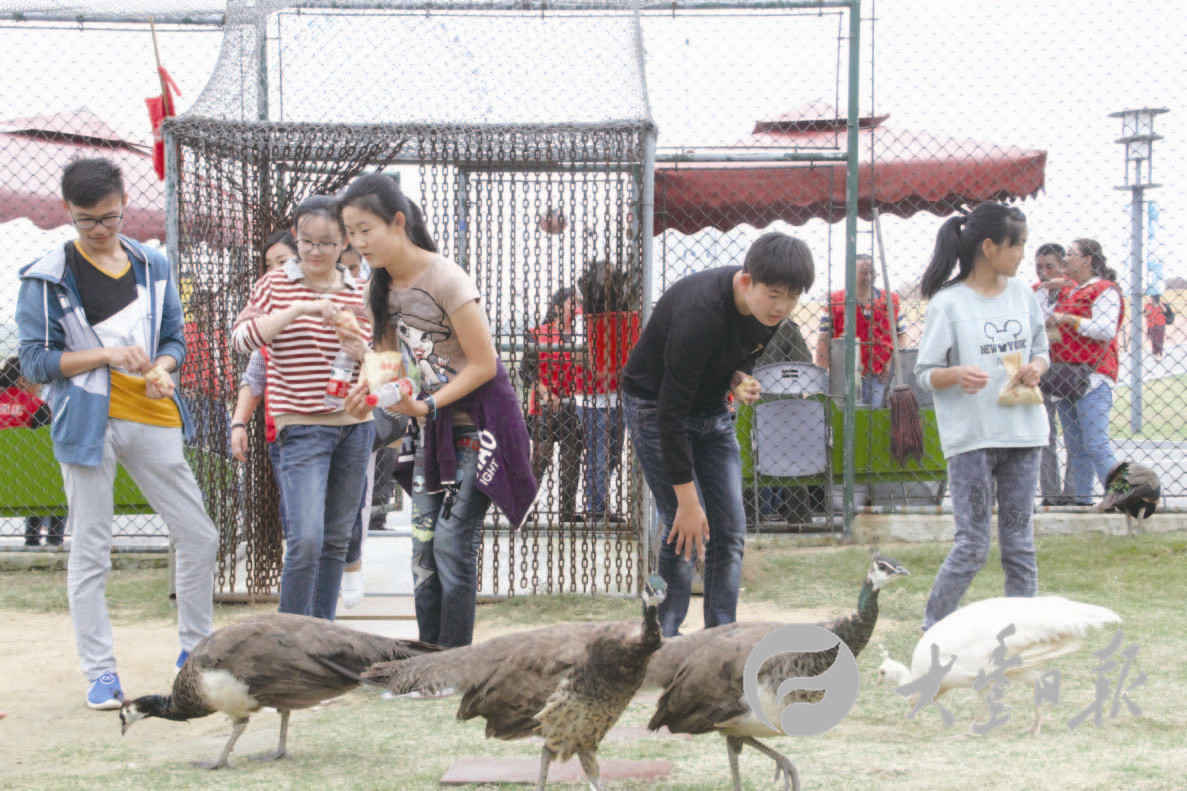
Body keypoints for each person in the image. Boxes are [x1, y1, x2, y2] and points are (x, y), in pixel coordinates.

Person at [15, 157, 218, 709]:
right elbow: (33, 363)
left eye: (110, 216)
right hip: (87, 423)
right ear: (68, 212)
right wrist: (105, 354)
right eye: (87, 221)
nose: (101, 229)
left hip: (154, 415)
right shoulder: (46, 275)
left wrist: (165, 370)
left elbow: (175, 337)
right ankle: (101, 673)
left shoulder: (151, 264)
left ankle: (195, 653)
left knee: (199, 535)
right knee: (91, 550)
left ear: (124, 202)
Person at [339, 174, 536, 648]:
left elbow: (485, 365)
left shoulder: (447, 278)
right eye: (351, 232)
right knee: (423, 550)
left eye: (366, 229)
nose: (357, 242)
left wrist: (424, 403)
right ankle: (428, 660)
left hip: (483, 425)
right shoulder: (380, 288)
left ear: (398, 221)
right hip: (433, 429)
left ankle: (455, 662)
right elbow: (386, 363)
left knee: (451, 542)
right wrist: (364, 388)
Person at [621, 231, 814, 637]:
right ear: (747, 281)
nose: (782, 307)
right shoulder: (700, 313)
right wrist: (689, 503)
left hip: (710, 411)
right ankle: (664, 641)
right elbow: (670, 414)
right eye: (774, 294)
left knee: (729, 531)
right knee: (682, 525)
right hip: (656, 408)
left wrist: (737, 380)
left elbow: (727, 359)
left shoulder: (769, 316)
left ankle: (720, 639)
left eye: (792, 297)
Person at [231, 196, 375, 621]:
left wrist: (361, 349)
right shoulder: (276, 285)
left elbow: (386, 364)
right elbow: (241, 339)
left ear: (344, 243)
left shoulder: (360, 290)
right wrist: (300, 309)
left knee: (336, 538)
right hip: (301, 426)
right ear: (295, 237)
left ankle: (321, 635)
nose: (316, 251)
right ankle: (289, 637)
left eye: (327, 243)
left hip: (355, 425)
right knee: (306, 538)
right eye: (308, 241)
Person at [914, 202, 1049, 631]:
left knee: (1019, 544)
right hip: (971, 441)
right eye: (1018, 245)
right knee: (972, 545)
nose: (1023, 254)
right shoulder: (948, 304)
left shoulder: (1023, 295)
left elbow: (1042, 350)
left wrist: (1037, 368)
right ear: (989, 247)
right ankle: (933, 627)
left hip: (1023, 436)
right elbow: (923, 374)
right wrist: (954, 374)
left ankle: (1022, 631)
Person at [1047, 239, 1123, 506]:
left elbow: (1105, 329)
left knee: (1096, 445)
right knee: (1076, 449)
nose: (1065, 259)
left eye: (1070, 254)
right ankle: (1082, 502)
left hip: (1093, 376)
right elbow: (1055, 333)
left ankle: (1125, 496)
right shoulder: (1066, 292)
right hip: (1065, 377)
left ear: (1088, 259)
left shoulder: (1105, 290)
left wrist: (1069, 320)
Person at [520, 287, 585, 521]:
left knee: (571, 458)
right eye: (573, 303)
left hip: (570, 405)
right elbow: (525, 372)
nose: (578, 309)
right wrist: (544, 392)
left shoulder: (579, 338)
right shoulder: (537, 334)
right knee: (541, 457)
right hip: (543, 406)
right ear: (558, 308)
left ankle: (567, 513)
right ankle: (523, 508)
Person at [576, 259, 632, 522]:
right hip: (591, 400)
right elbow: (587, 362)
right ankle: (596, 510)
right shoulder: (584, 319)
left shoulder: (624, 317)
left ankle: (598, 503)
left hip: (616, 398)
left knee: (612, 457)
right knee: (598, 457)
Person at [815, 253, 909, 406]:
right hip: (845, 373)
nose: (868, 276)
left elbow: (901, 335)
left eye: (871, 271)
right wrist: (823, 373)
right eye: (863, 272)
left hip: (879, 374)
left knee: (875, 416)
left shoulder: (890, 300)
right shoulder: (834, 301)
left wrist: (892, 361)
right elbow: (823, 339)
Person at [751, 317, 815, 521]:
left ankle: (751, 517)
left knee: (749, 459)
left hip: (754, 404)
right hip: (785, 408)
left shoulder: (740, 324)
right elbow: (805, 363)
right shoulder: (785, 325)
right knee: (792, 460)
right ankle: (799, 517)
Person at [0, 356, 66, 547]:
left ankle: (32, 538)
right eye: (39, 378)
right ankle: (52, 539)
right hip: (33, 482)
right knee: (52, 478)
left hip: (4, 479)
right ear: (23, 380)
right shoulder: (38, 407)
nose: (42, 384)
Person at [1032, 243, 1070, 506]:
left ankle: (1076, 495)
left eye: (1050, 267)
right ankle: (1051, 495)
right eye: (1038, 267)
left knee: (1075, 436)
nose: (1043, 273)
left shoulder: (1075, 293)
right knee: (1045, 436)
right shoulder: (1034, 294)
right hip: (1041, 368)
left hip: (1069, 370)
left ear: (1062, 268)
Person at [1145, 293, 1167, 359]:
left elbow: (1165, 311)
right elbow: (1144, 314)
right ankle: (1154, 353)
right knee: (1153, 340)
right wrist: (1148, 312)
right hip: (1151, 325)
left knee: (1159, 340)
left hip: (1160, 324)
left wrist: (1160, 305)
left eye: (1151, 298)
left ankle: (1159, 354)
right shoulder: (1148, 305)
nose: (1150, 300)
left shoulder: (1162, 304)